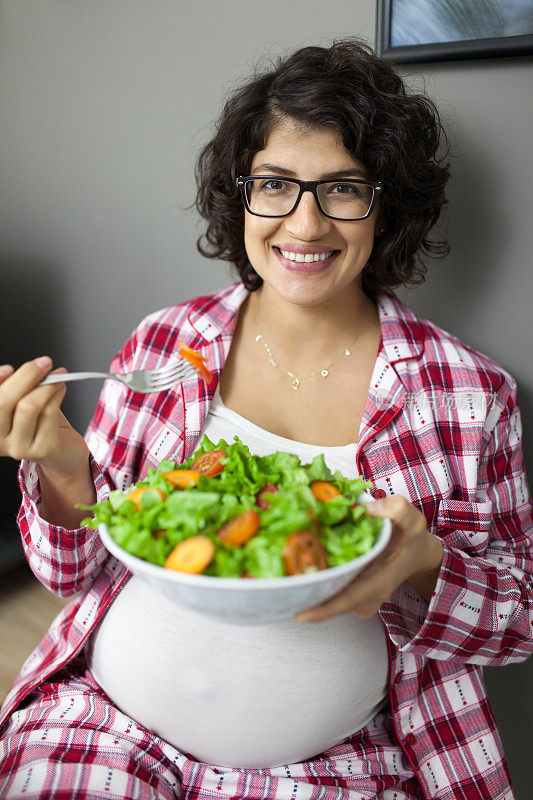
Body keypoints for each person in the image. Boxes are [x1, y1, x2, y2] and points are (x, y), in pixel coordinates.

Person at [0, 38, 531, 800]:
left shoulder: (469, 394)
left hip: (336, 767)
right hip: (106, 725)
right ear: (240, 194)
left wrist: (420, 561)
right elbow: (69, 575)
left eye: (342, 189)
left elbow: (518, 622)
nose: (305, 225)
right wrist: (57, 462)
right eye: (275, 184)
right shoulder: (162, 344)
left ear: (389, 206)